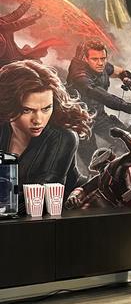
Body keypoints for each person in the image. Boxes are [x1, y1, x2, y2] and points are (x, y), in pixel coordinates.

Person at [0, 60, 91, 203]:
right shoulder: (3, 126)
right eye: (27, 110)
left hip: (66, 208)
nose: (38, 120)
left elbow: (40, 197)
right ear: (8, 105)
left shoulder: (63, 137)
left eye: (46, 108)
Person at [66, 39, 131, 168]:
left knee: (127, 143)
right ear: (86, 59)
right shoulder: (78, 73)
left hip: (99, 117)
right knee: (94, 163)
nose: (100, 63)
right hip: (80, 122)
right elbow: (100, 95)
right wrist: (129, 108)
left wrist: (126, 77)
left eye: (103, 58)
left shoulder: (102, 65)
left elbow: (120, 71)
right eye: (95, 59)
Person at [66, 127, 131, 208]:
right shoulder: (100, 179)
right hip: (123, 208)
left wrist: (123, 134)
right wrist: (73, 196)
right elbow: (83, 189)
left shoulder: (116, 165)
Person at [0, 0, 60, 68]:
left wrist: (28, 2)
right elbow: (15, 24)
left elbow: (15, 15)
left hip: (12, 56)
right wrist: (36, 15)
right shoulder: (3, 28)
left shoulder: (2, 22)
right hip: (9, 59)